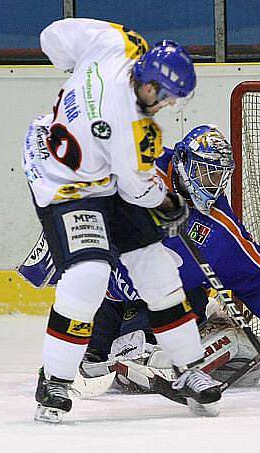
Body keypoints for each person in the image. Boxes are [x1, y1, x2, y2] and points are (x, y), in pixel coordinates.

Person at [19, 125, 260, 393]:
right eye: (205, 172)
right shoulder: (140, 174)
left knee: (141, 358)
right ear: (183, 161)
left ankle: (203, 342)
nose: (210, 184)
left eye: (218, 177)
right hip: (109, 295)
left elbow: (256, 277)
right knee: (86, 360)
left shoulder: (217, 225)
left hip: (163, 306)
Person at [22, 18, 221, 422]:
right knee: (88, 274)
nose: (163, 102)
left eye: (171, 98)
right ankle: (55, 379)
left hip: (106, 175)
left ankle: (188, 367)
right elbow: (138, 190)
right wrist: (170, 204)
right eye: (160, 93)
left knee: (157, 268)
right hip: (63, 182)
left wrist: (73, 73)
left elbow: (53, 35)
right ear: (146, 78)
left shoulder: (119, 42)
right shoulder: (135, 131)